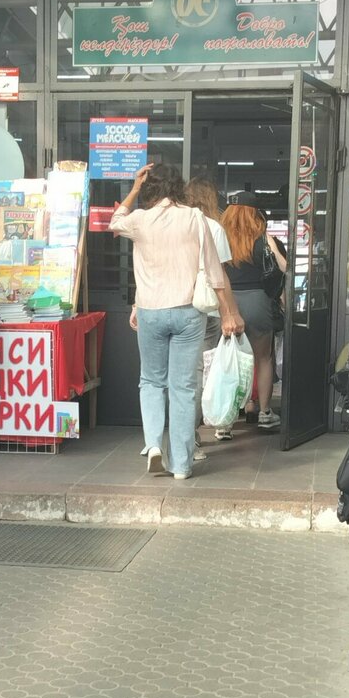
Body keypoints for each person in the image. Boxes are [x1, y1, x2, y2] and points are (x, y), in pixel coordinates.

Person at [110, 164, 244, 480]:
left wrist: (134, 188)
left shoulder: (140, 220)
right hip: (188, 311)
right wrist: (228, 311)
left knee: (151, 381)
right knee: (183, 387)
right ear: (178, 188)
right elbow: (214, 270)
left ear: (150, 189)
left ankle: (154, 445)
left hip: (151, 311)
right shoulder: (195, 218)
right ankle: (182, 465)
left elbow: (113, 222)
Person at [221, 192, 287, 432]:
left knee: (229, 361)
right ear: (255, 214)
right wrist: (271, 243)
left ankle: (225, 422)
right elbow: (284, 268)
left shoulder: (221, 238)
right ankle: (265, 412)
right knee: (263, 359)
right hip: (258, 301)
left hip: (227, 303)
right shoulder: (262, 239)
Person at [184, 177, 235, 460]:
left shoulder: (177, 226)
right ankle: (190, 438)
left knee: (179, 377)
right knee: (200, 375)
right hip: (207, 311)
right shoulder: (214, 228)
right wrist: (230, 312)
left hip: (177, 307)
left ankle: (179, 436)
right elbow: (221, 276)